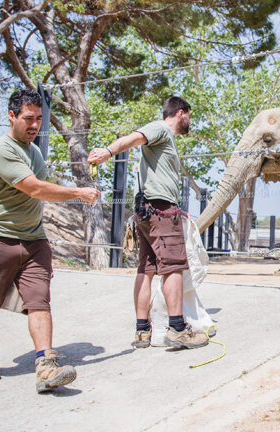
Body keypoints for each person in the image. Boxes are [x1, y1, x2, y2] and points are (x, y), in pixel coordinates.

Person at [0, 89, 100, 393]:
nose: (35, 124)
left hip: (34, 240)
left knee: (40, 301)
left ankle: (45, 365)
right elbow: (35, 189)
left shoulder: (34, 152)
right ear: (11, 116)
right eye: (28, 118)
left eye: (39, 118)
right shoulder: (0, 149)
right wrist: (78, 192)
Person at [87, 96, 208, 350]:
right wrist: (108, 152)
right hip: (161, 211)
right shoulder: (161, 129)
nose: (189, 121)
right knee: (173, 267)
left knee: (147, 269)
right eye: (189, 116)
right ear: (181, 113)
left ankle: (142, 330)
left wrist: (179, 210)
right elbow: (133, 138)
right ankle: (177, 329)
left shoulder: (166, 140)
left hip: (149, 211)